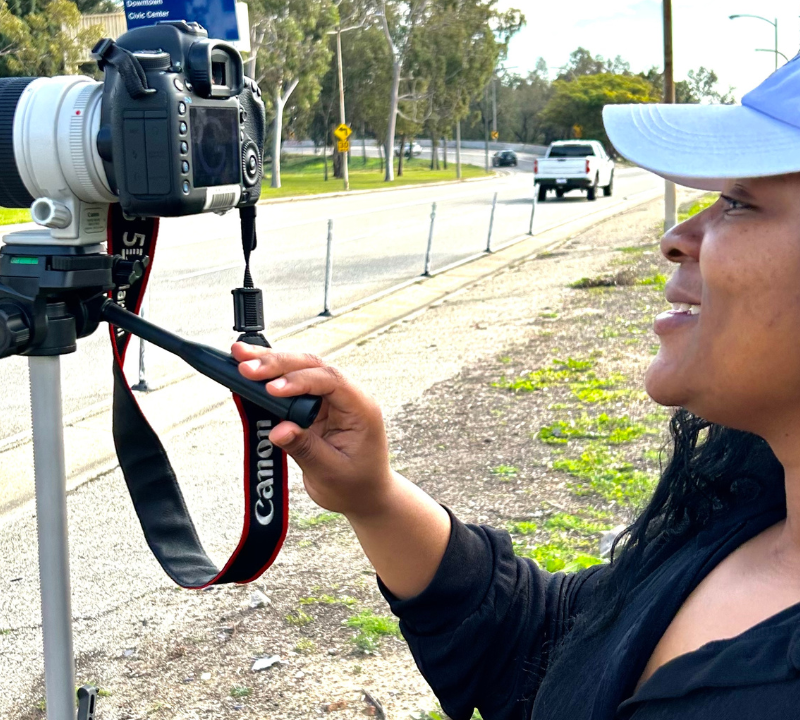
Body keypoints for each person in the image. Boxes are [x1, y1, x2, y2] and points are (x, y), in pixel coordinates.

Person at [232, 58, 800, 719]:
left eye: (736, 202)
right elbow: (555, 651)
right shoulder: (748, 509)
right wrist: (373, 495)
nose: (679, 237)